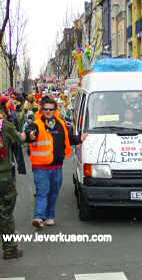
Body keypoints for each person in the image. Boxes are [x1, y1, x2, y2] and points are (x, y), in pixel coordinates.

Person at [25, 97, 87, 227]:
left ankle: (50, 216)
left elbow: (69, 138)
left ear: (55, 110)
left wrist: (80, 139)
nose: (48, 111)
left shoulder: (60, 124)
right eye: (45, 109)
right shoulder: (35, 124)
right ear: (42, 110)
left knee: (53, 193)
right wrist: (30, 136)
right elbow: (30, 134)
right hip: (40, 167)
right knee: (43, 191)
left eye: (51, 109)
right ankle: (39, 217)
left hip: (57, 166)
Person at [0, 99, 24, 259]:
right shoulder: (5, 126)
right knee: (5, 212)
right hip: (3, 177)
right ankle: (10, 249)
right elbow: (20, 138)